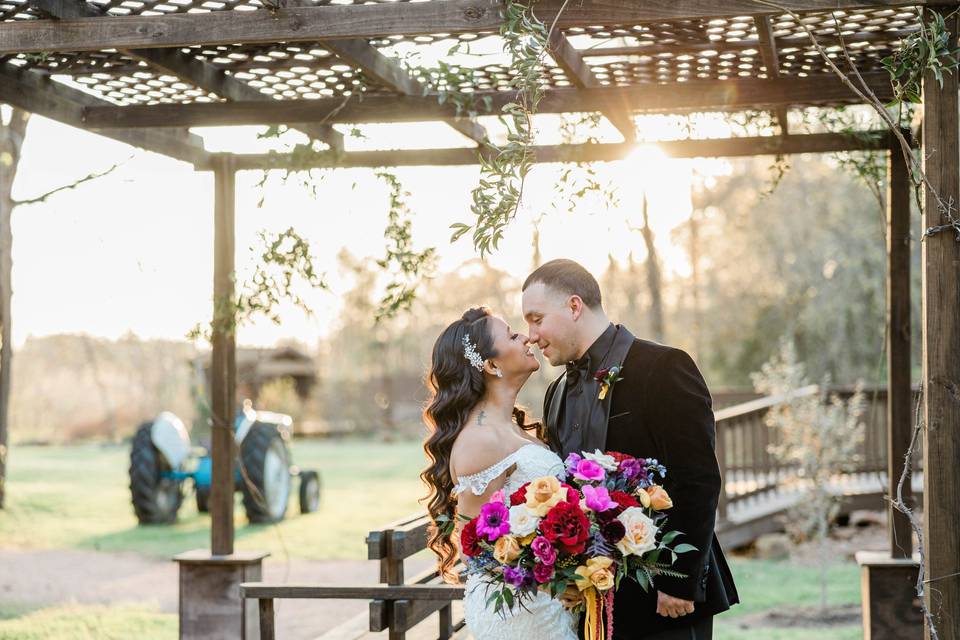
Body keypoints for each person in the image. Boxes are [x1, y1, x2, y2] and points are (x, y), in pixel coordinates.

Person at [521, 258, 739, 640]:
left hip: (666, 597)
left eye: (536, 318)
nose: (531, 335)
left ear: (574, 306)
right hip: (595, 600)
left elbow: (698, 478)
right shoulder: (556, 393)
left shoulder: (664, 367)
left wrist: (679, 583)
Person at [421, 306, 580, 640]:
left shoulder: (511, 429)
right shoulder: (481, 440)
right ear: (492, 365)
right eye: (510, 334)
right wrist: (549, 579)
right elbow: (473, 548)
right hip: (515, 614)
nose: (525, 336)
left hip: (544, 606)